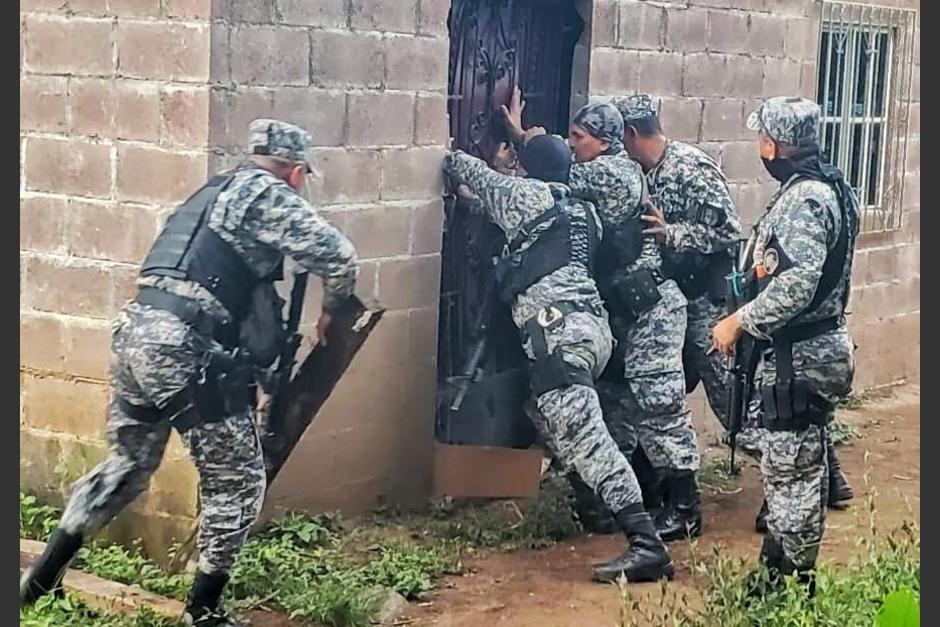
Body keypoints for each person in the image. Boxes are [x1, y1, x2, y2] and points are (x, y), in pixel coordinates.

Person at [20, 119, 359, 627]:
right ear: (293, 172)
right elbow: (339, 256)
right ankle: (204, 612)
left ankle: (40, 580)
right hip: (183, 348)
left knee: (128, 465)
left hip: (134, 334)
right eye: (302, 176)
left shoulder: (212, 193)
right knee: (240, 483)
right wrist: (333, 310)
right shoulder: (267, 194)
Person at [443, 135, 674, 584]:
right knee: (546, 414)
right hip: (594, 331)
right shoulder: (580, 209)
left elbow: (473, 175)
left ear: (528, 170)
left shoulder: (524, 195)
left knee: (590, 444)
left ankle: (647, 545)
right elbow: (497, 211)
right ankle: (595, 508)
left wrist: (447, 150)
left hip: (561, 339)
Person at [503, 92, 704, 544]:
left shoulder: (611, 173)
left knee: (659, 404)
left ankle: (686, 508)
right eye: (570, 136)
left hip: (651, 310)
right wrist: (523, 138)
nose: (571, 143)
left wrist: (518, 148)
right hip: (624, 315)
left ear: (606, 141)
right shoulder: (606, 166)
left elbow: (551, 172)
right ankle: (615, 503)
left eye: (578, 136)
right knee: (614, 408)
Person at [711, 97, 859, 592]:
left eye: (760, 139)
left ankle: (792, 586)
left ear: (772, 144)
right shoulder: (831, 187)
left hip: (801, 356)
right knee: (792, 466)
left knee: (792, 476)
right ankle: (776, 568)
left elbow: (796, 285)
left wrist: (740, 321)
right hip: (811, 350)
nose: (759, 147)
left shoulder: (805, 199)